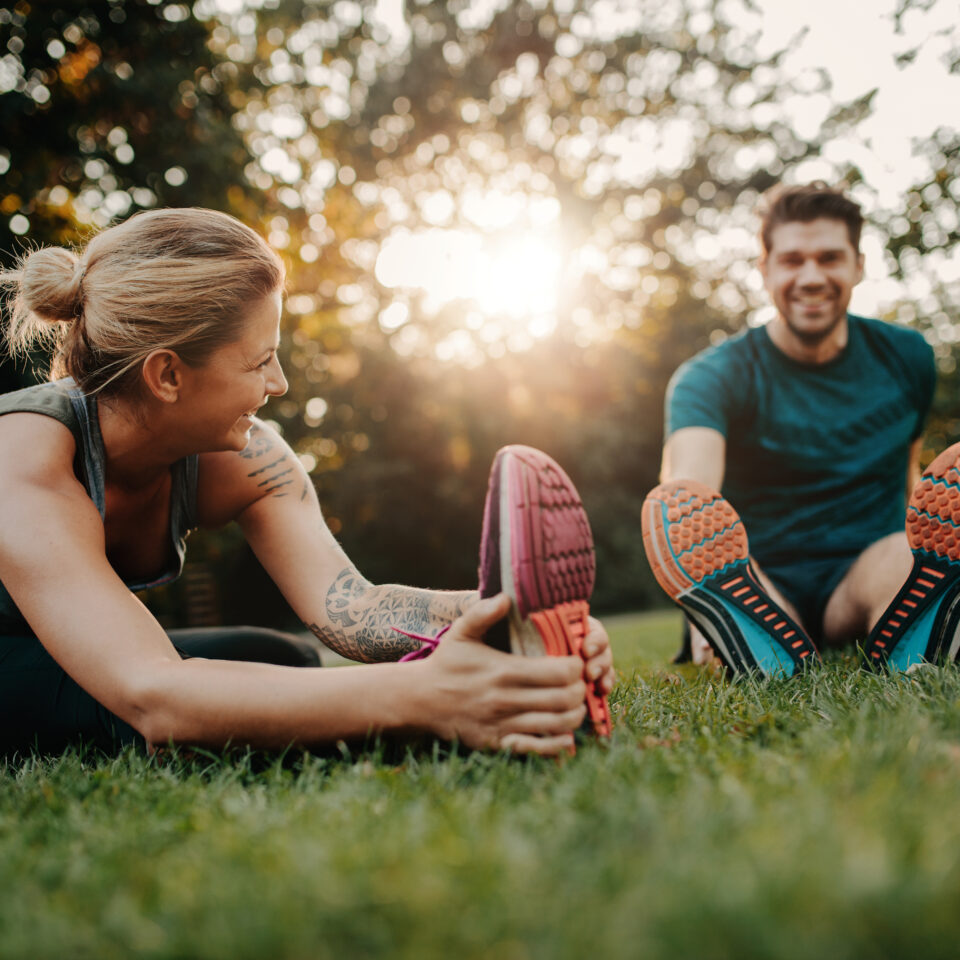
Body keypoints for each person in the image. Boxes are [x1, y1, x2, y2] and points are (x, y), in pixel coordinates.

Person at [0, 207, 614, 758]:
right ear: (167, 375)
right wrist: (424, 695)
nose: (280, 383)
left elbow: (352, 610)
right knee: (141, 711)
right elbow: (157, 693)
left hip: (74, 650)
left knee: (282, 661)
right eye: (259, 360)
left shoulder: (247, 456)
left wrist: (510, 616)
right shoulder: (24, 458)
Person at [641, 182, 938, 676]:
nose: (812, 276)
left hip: (864, 572)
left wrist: (926, 554)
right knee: (730, 570)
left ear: (859, 265)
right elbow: (688, 498)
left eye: (829, 258)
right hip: (760, 573)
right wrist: (695, 595)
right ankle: (730, 622)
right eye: (793, 260)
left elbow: (908, 472)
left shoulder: (908, 358)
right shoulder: (711, 377)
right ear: (765, 270)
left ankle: (922, 624)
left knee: (903, 557)